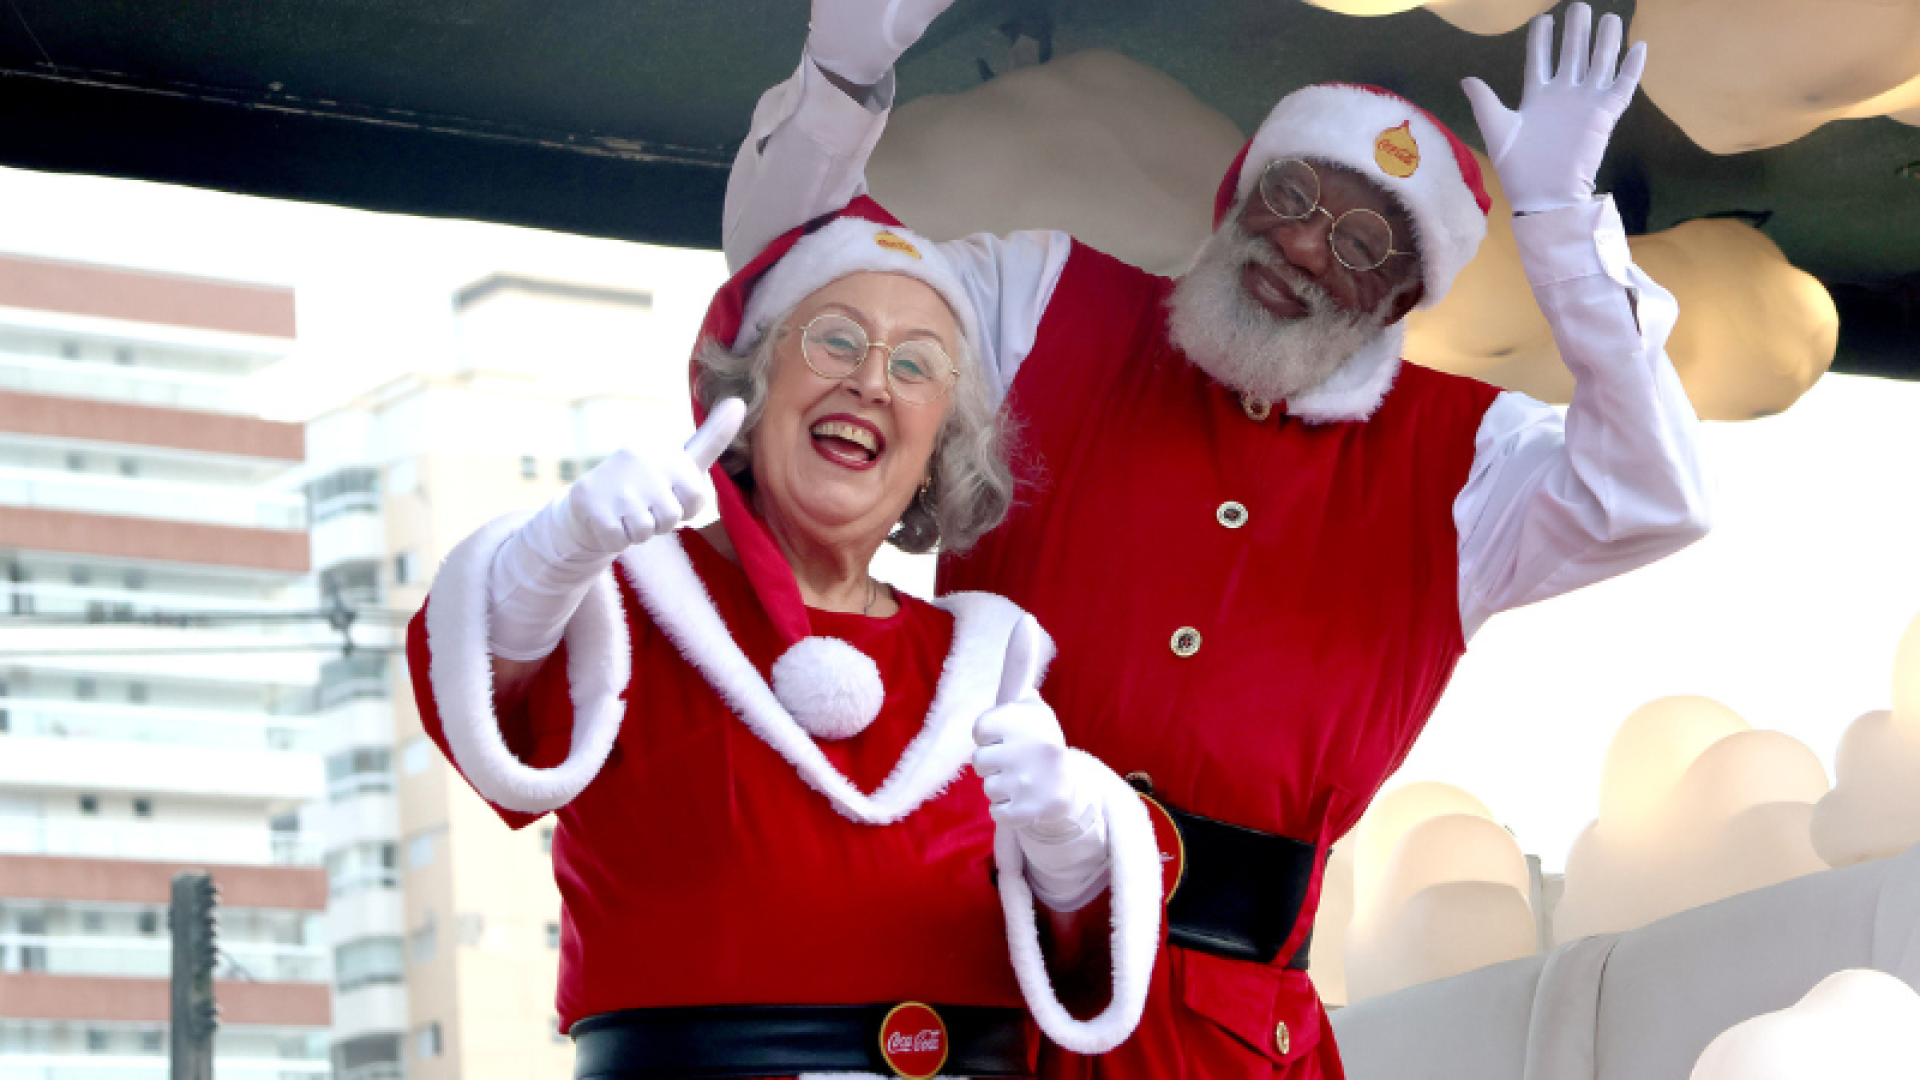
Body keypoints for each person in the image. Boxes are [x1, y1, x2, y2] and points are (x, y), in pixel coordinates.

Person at [723, 4, 1712, 1078]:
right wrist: (841, 78)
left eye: (1360, 243)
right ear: (1238, 190)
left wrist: (1564, 231)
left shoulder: (1468, 456)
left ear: (1398, 299)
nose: (1297, 245)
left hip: (1221, 1035)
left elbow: (1655, 495)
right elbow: (802, 287)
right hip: (972, 977)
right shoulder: (1047, 296)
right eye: (1288, 194)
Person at [403, 216, 1164, 1078]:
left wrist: (1068, 844)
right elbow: (472, 695)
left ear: (939, 448)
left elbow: (1076, 970)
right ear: (753, 386)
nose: (872, 380)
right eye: (837, 340)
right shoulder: (625, 605)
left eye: (915, 364)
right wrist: (556, 552)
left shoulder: (988, 664)